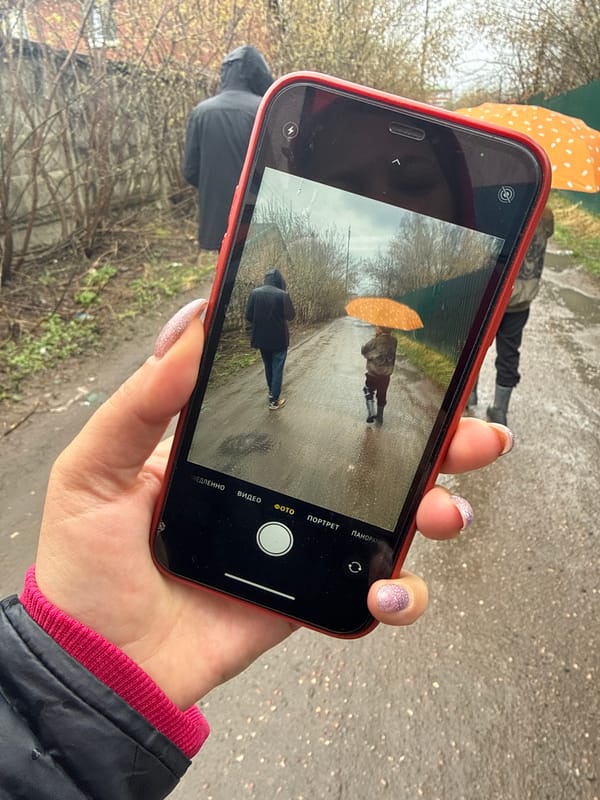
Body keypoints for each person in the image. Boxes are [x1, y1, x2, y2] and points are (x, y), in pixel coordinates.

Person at [0, 300, 514, 798]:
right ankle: (377, 409)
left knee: (337, 383)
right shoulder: (393, 346)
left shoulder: (363, 338)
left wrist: (67, 653)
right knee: (376, 396)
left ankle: (361, 402)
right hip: (88, 725)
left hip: (72, 696)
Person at [182, 45, 273, 261]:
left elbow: (190, 171)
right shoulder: (266, 109)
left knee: (224, 281)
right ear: (259, 73)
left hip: (217, 221)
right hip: (258, 219)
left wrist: (215, 189)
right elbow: (278, 168)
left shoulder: (201, 113)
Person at [469, 205, 555, 425]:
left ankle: (468, 396)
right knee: (509, 353)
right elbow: (548, 234)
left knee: (474, 347)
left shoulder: (507, 206)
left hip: (491, 296)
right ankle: (500, 410)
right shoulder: (546, 214)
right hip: (521, 299)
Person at [245, 267, 295, 410]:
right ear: (279, 280)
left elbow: (248, 315)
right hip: (279, 339)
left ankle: (271, 392)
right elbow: (291, 316)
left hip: (261, 338)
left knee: (268, 365)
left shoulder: (254, 293)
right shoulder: (282, 295)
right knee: (277, 367)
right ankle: (274, 401)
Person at [361, 325, 398, 424]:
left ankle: (371, 412)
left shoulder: (375, 341)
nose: (375, 328)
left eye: (377, 327)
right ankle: (380, 417)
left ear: (381, 329)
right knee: (382, 394)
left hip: (373, 373)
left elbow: (364, 351)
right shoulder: (394, 341)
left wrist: (376, 338)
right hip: (386, 375)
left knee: (368, 390)